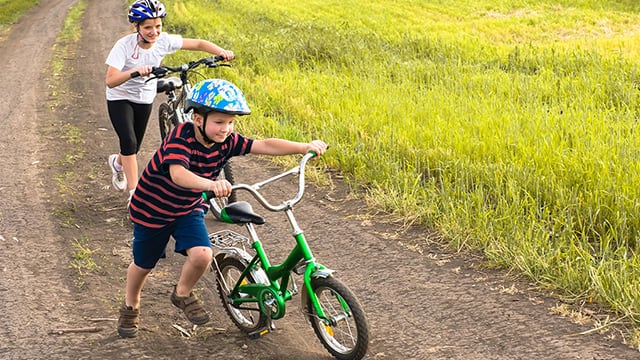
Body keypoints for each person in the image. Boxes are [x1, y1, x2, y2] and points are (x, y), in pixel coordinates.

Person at [116, 78, 328, 338]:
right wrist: (211, 184)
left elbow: (263, 145)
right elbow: (178, 174)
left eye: (230, 122)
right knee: (143, 264)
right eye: (219, 122)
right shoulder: (180, 137)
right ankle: (131, 304)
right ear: (197, 119)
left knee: (203, 256)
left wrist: (304, 147)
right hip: (153, 209)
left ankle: (181, 293)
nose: (225, 129)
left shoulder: (227, 141)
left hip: (187, 208)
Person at [105, 0, 235, 203]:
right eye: (148, 27)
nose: (154, 32)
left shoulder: (164, 41)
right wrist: (134, 72)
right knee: (129, 141)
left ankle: (117, 163)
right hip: (120, 97)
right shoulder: (124, 46)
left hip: (144, 97)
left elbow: (198, 44)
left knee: (133, 147)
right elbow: (111, 80)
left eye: (158, 26)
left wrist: (220, 52)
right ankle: (135, 195)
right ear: (136, 27)